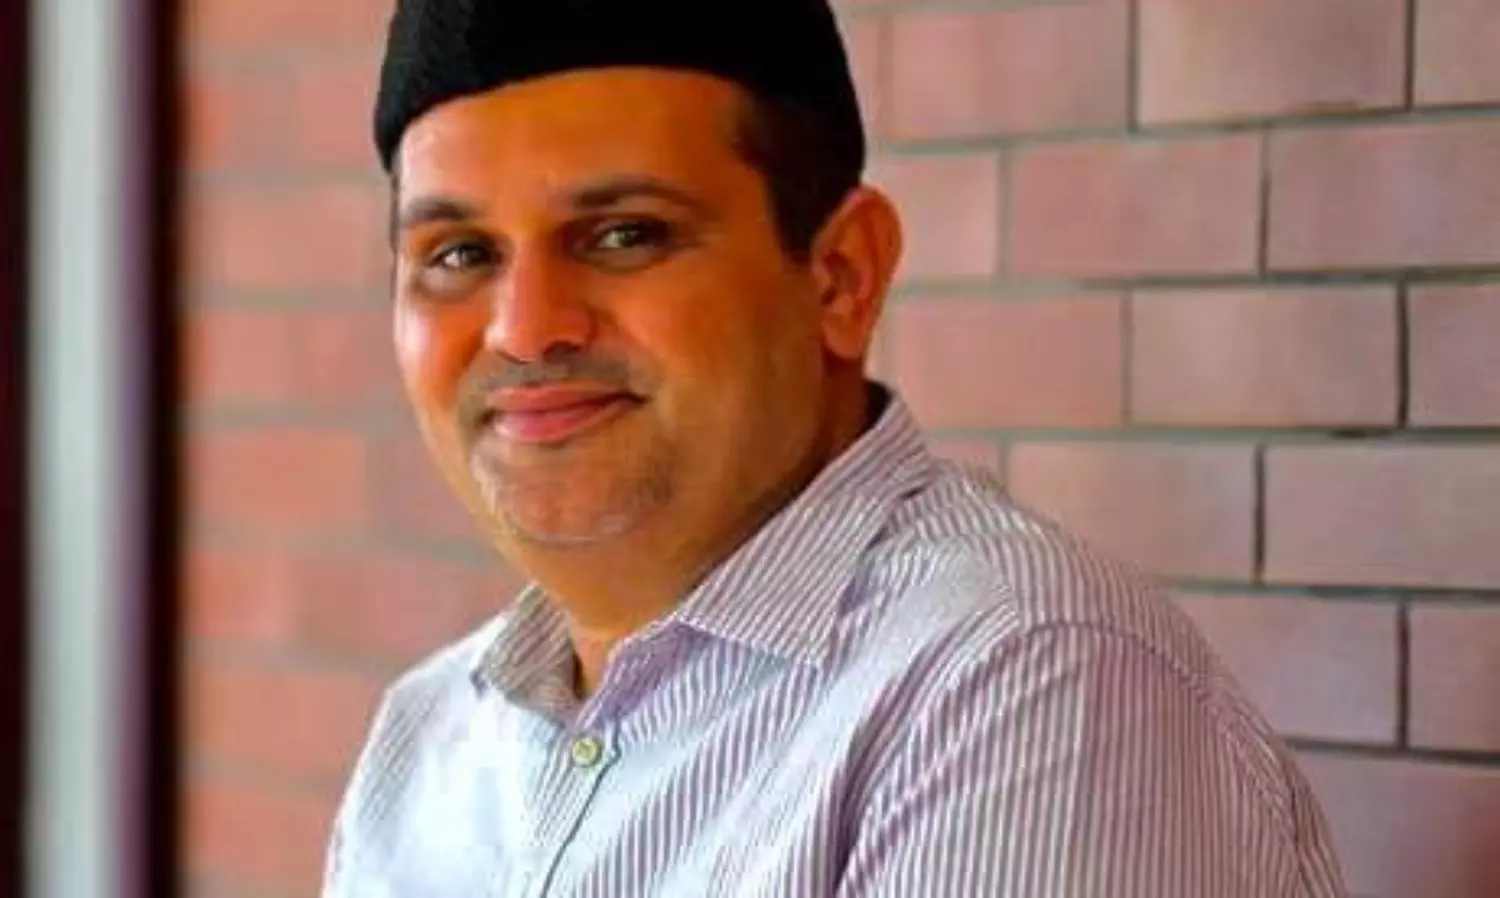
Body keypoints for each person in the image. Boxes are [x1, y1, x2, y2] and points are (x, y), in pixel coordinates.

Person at [321, 1, 1349, 895]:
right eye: (459, 254)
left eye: (625, 234)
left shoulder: (1017, 681)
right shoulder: (428, 742)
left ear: (841, 277)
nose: (525, 328)